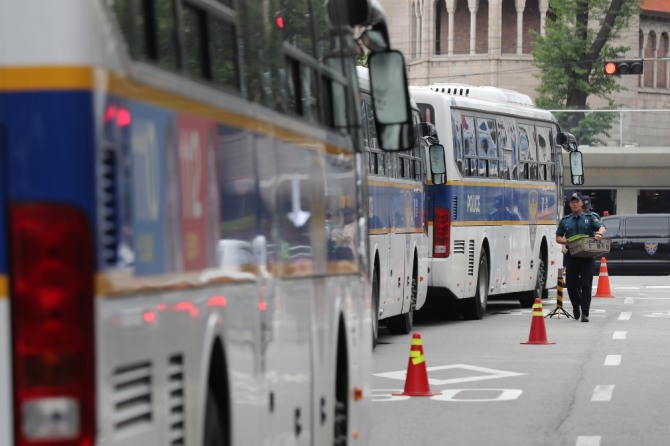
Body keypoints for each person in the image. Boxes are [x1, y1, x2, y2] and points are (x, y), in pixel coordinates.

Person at [555, 192, 606, 322]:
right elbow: (558, 237)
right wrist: (565, 242)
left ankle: (585, 313)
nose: (575, 203)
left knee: (586, 284)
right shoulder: (565, 220)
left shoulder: (589, 218)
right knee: (571, 285)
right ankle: (576, 306)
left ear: (581, 203)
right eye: (572, 202)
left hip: (587, 256)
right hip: (571, 256)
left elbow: (601, 227)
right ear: (570, 204)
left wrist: (599, 234)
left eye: (577, 201)